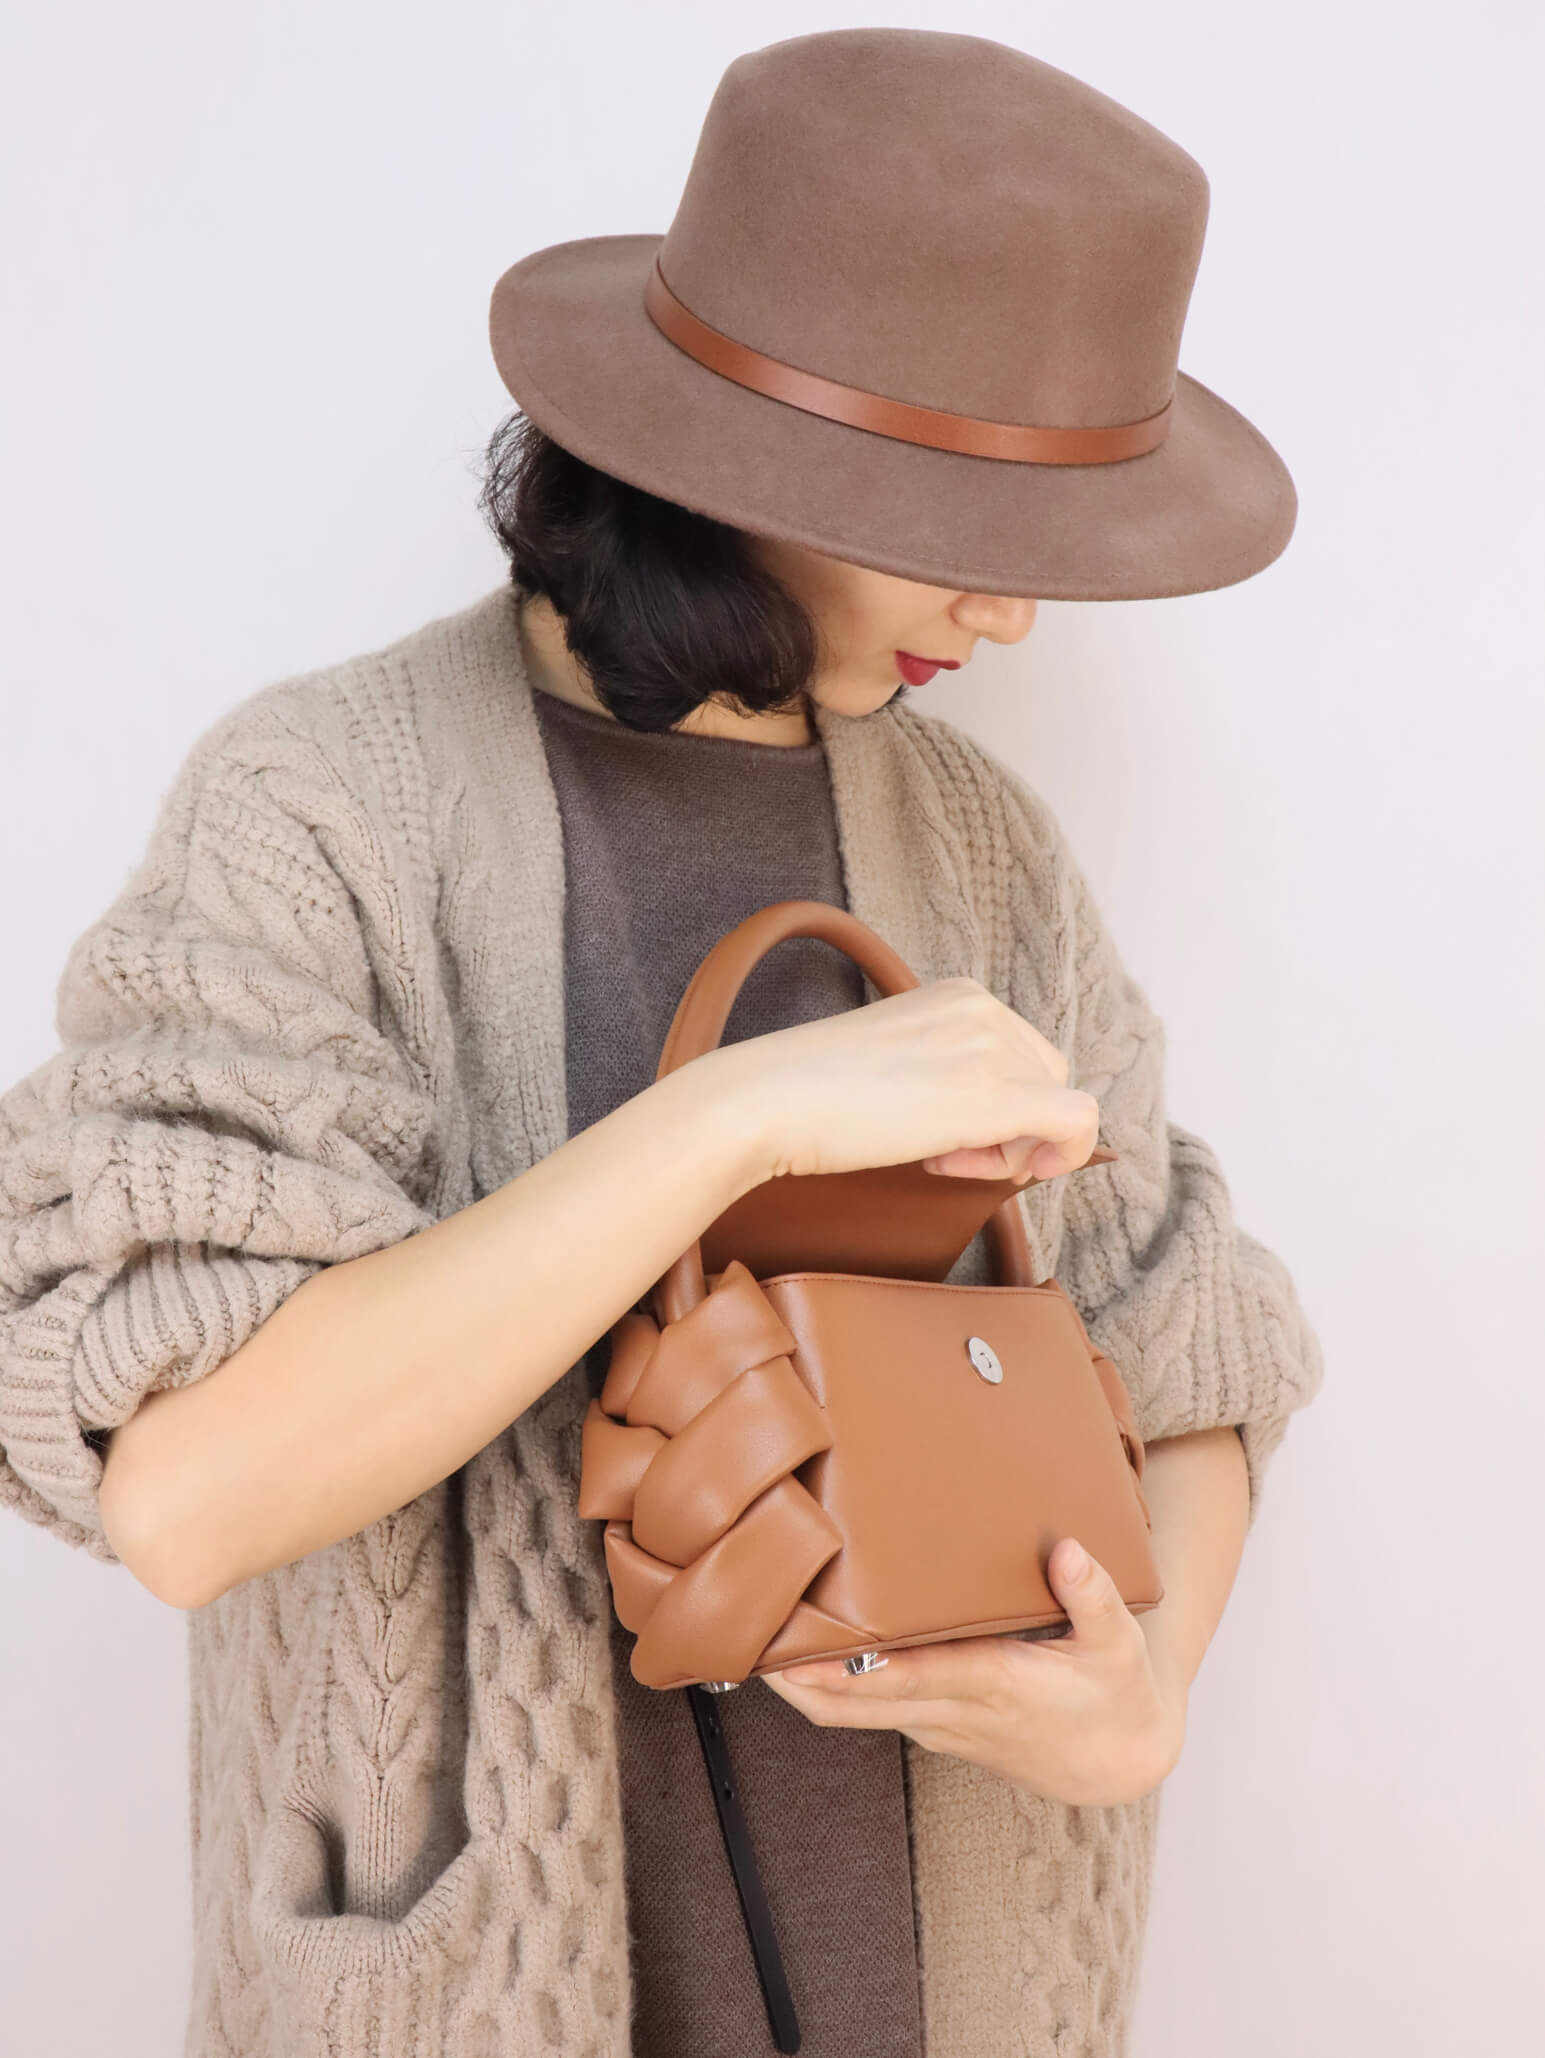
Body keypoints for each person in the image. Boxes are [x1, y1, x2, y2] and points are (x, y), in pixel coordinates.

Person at [0, 27, 1325, 2058]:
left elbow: (1182, 1338)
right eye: (952, 517)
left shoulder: (979, 850)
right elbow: (182, 1487)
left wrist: (1143, 1681)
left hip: (962, 1991)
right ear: (750, 459)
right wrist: (725, 1123)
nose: (1015, 618)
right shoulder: (322, 810)